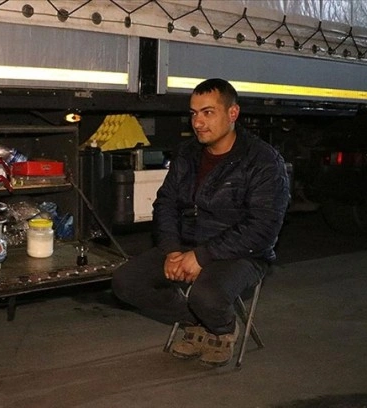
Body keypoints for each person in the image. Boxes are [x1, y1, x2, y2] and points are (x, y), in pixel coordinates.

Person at [111, 78, 289, 366]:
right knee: (126, 282)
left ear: (232, 113)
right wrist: (171, 250)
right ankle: (196, 323)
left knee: (205, 296)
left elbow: (262, 228)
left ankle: (223, 328)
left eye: (208, 112)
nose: (198, 122)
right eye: (194, 113)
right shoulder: (187, 153)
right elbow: (165, 203)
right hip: (187, 244)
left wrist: (202, 256)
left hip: (242, 254)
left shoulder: (263, 161)